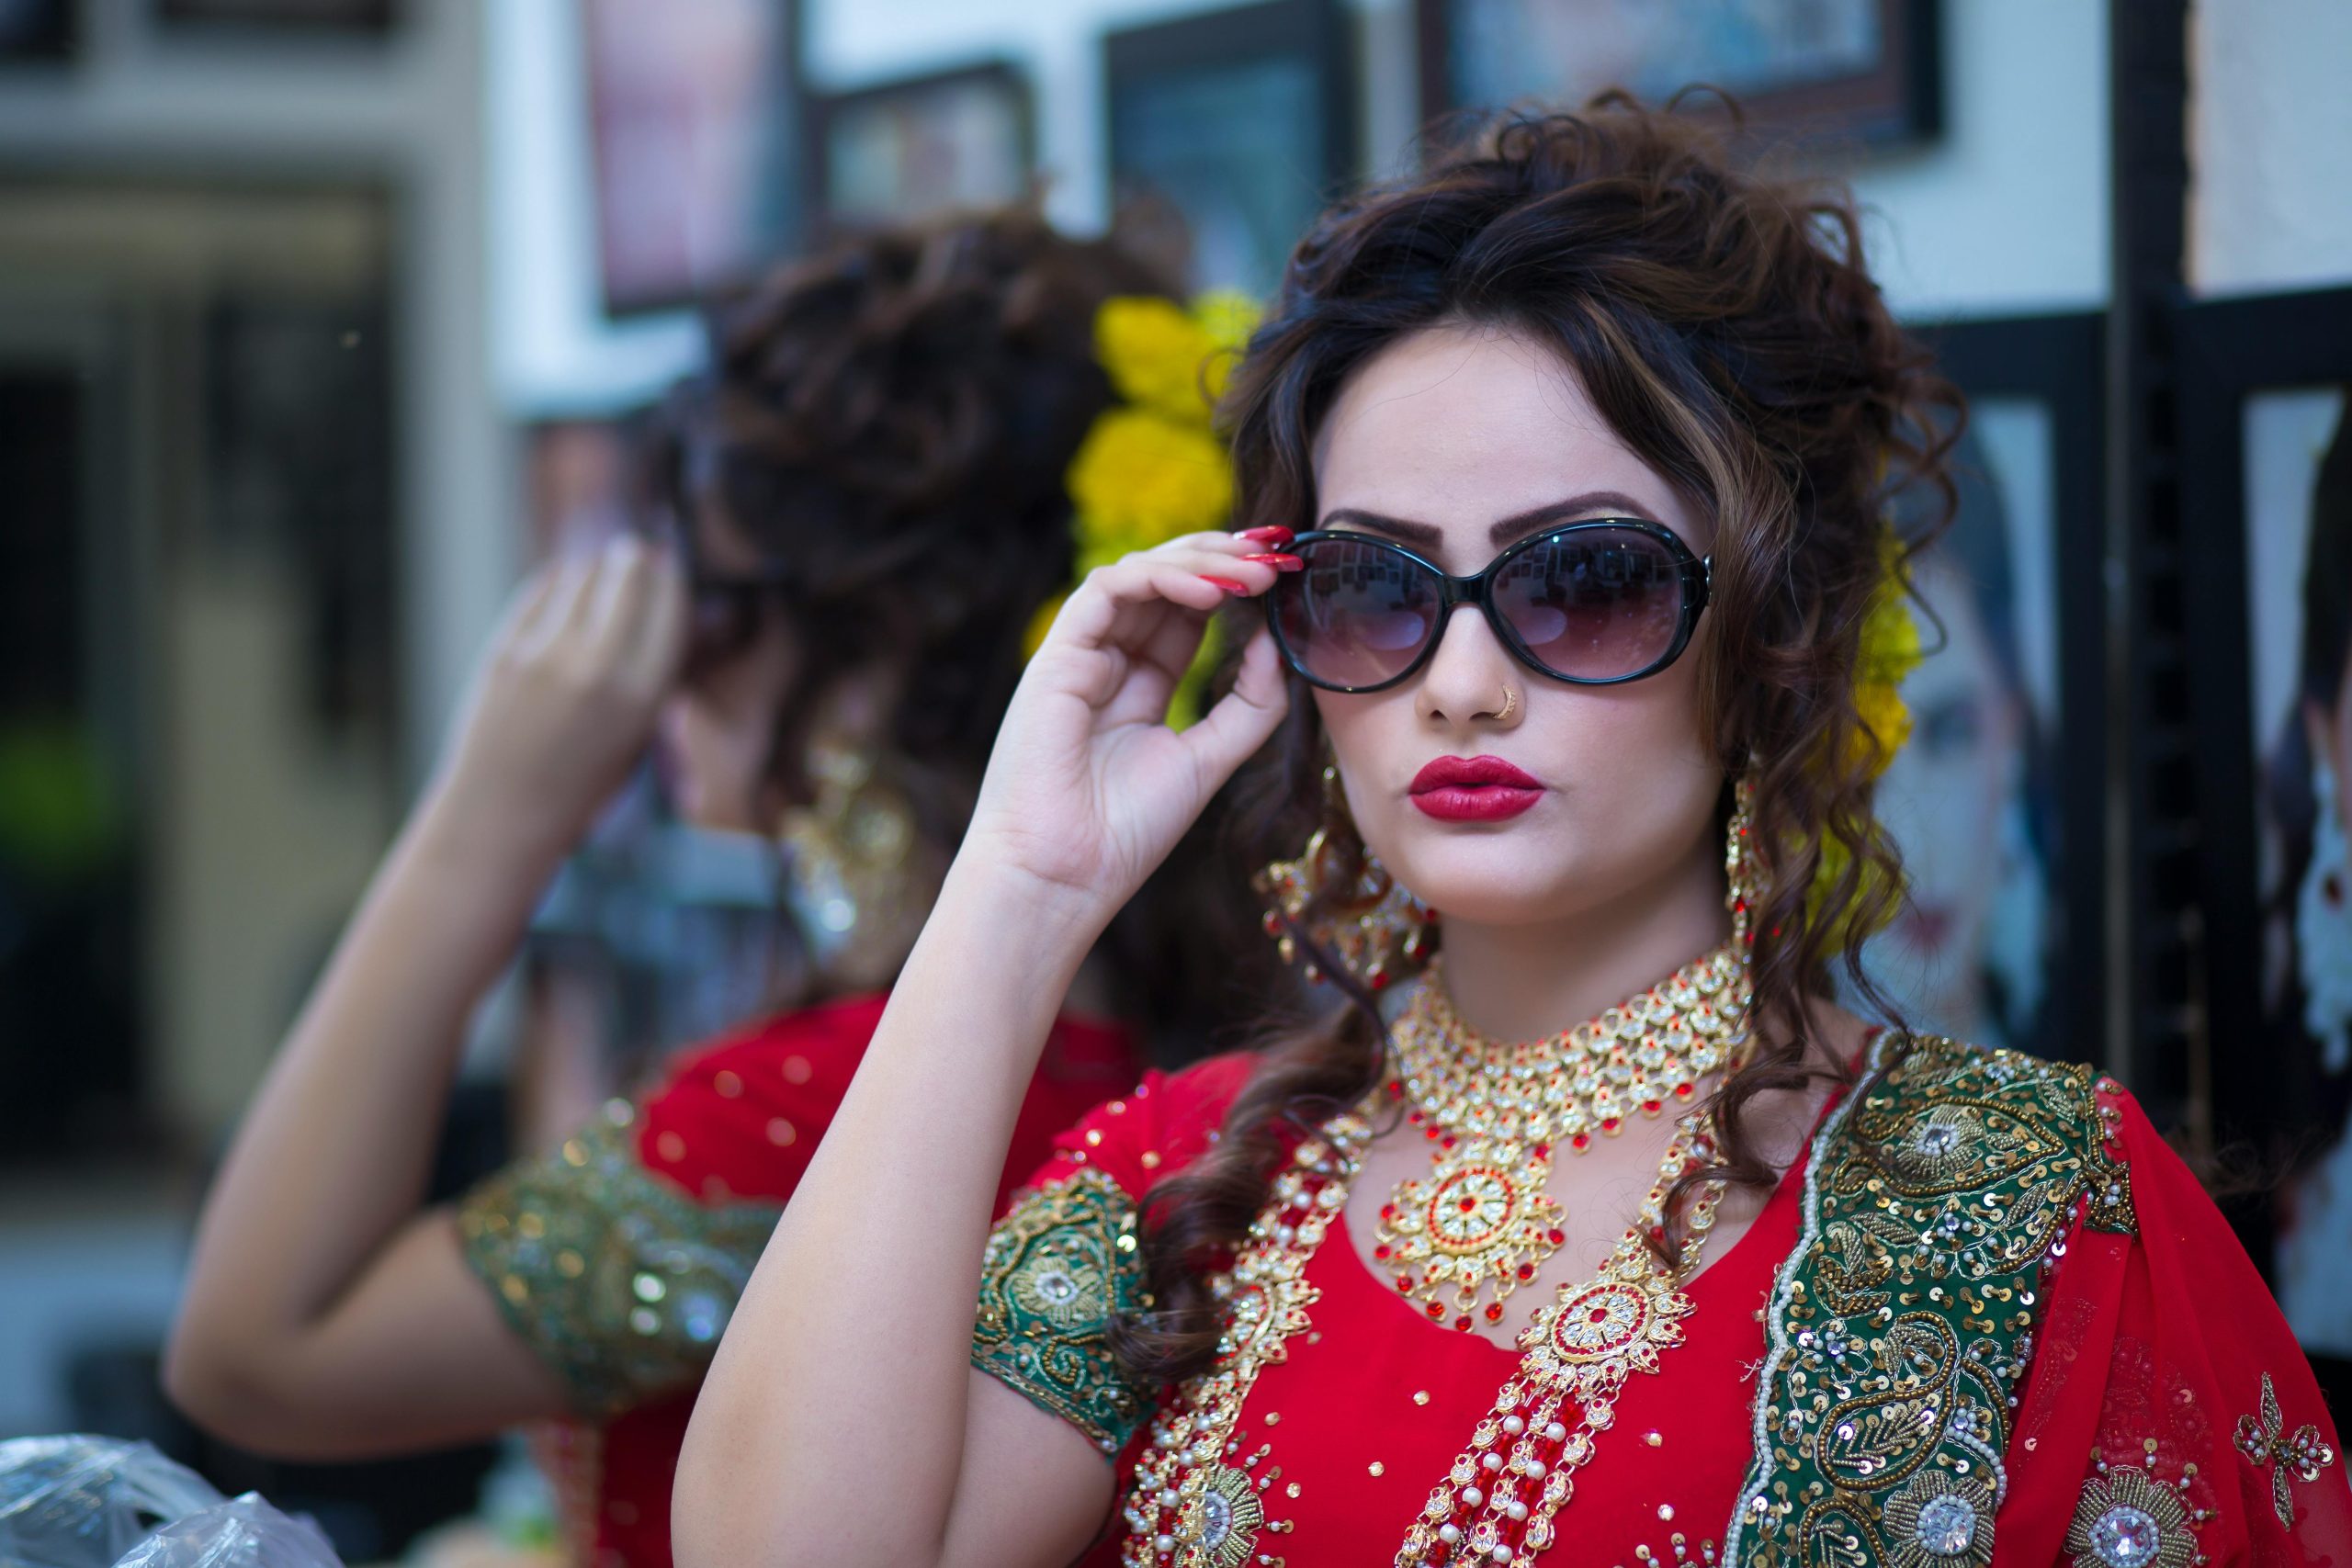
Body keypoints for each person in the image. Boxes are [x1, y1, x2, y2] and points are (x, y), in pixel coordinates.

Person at [674, 101, 2351, 1568]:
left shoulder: (2026, 1212)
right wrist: (1022, 892)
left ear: (1772, 632)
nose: (1462, 682)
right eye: (1375, 589)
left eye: (1588, 580)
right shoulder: (1180, 1190)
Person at [162, 209, 1266, 1568]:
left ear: (869, 661)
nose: (673, 654)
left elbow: (251, 1353)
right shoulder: (1195, 1059)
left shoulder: (810, 1110)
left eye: (713, 594)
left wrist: (486, 820)